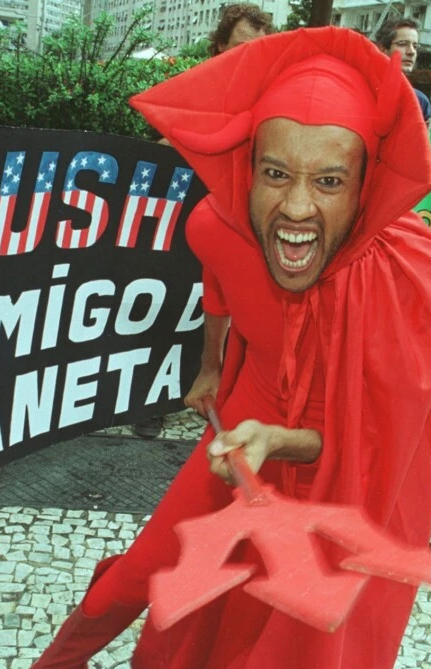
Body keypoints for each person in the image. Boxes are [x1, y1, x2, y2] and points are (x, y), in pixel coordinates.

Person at [33, 26, 431, 668]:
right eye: (276, 173)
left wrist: (279, 440)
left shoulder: (409, 272)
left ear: (366, 185)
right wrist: (209, 369)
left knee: (280, 630)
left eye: (331, 181)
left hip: (326, 469)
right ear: (248, 169)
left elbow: (383, 447)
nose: (297, 207)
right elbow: (221, 292)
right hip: (239, 434)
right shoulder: (214, 224)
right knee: (145, 571)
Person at [139, 2, 273, 435]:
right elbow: (161, 144)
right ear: (218, 47)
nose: (245, 59)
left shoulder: (271, 97)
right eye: (238, 48)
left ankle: (229, 390)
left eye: (257, 50)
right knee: (171, 300)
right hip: (185, 220)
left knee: (234, 310)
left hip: (240, 228)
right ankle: (155, 397)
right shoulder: (197, 90)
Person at [375, 18, 431, 130]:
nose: (411, 52)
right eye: (402, 44)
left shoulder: (419, 100)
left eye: (415, 46)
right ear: (382, 49)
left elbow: (424, 143)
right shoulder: (362, 89)